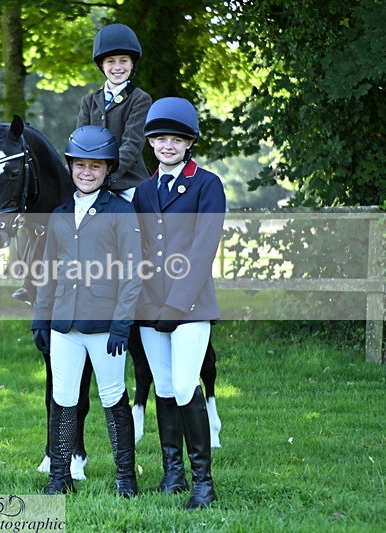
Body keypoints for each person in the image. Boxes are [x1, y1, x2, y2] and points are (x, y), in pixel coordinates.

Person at [31, 126, 141, 497]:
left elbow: (132, 274)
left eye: (95, 166)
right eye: (80, 165)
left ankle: (125, 476)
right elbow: (47, 272)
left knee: (112, 396)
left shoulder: (122, 213)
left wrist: (122, 325)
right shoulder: (60, 214)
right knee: (63, 397)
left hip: (105, 326)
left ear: (107, 170)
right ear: (71, 167)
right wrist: (41, 320)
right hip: (65, 323)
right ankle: (59, 476)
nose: (87, 172)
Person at [132, 97, 225, 510]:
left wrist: (176, 305)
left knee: (187, 386)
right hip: (150, 309)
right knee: (165, 388)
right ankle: (173, 473)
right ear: (151, 142)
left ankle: (203, 482)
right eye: (160, 139)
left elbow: (203, 251)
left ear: (189, 143)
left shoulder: (207, 185)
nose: (168, 145)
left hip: (190, 306)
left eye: (176, 139)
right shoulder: (143, 191)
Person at [76, 23, 152, 203]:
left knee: (141, 215)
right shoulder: (88, 101)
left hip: (127, 181)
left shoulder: (140, 99)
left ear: (132, 63)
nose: (117, 67)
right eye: (111, 61)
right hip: (90, 180)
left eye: (123, 60)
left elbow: (132, 143)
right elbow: (80, 143)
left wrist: (106, 174)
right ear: (102, 65)